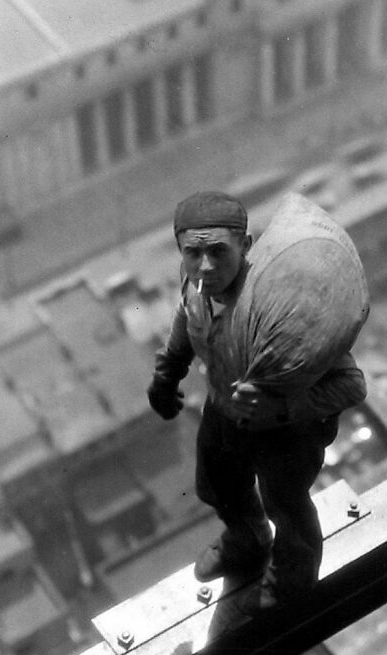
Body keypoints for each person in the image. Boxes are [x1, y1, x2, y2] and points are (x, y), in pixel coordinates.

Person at [147, 191, 367, 614]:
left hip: (286, 433)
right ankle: (247, 539)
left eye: (218, 252)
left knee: (287, 507)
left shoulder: (279, 305)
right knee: (216, 482)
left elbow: (352, 385)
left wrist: (282, 409)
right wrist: (168, 372)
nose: (206, 266)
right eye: (193, 253)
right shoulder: (197, 283)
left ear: (246, 248)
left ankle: (292, 581)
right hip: (226, 408)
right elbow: (187, 314)